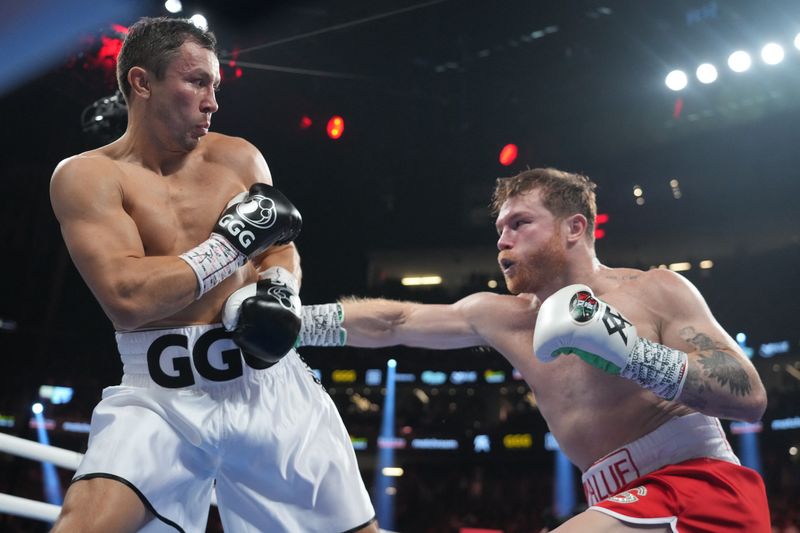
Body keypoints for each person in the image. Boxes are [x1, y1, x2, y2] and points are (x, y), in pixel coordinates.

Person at [297, 167, 770, 532]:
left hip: (700, 488)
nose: (503, 241)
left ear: (574, 227)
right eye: (500, 229)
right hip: (616, 501)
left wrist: (629, 351)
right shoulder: (503, 315)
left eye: (520, 223)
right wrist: (296, 324)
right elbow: (396, 322)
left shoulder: (655, 290)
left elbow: (749, 398)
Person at [49, 17, 376, 533]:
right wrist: (229, 246)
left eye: (215, 86)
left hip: (269, 389)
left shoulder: (238, 157)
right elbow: (127, 297)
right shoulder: (86, 176)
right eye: (196, 82)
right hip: (160, 397)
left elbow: (278, 252)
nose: (212, 101)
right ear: (141, 82)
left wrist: (278, 292)